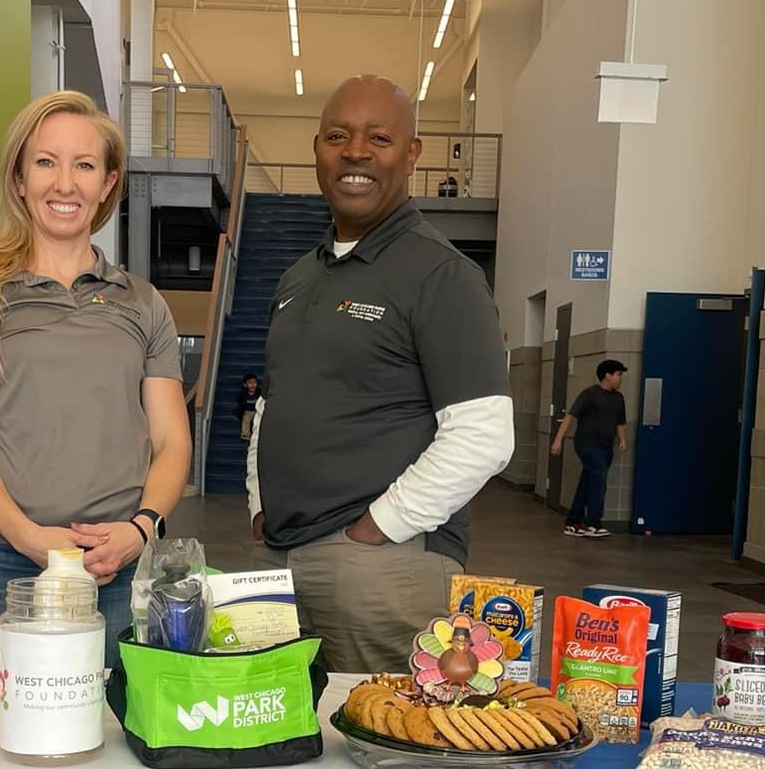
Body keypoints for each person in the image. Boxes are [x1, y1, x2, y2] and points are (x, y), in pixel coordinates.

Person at [246, 73, 513, 673]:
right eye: (337, 135)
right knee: (286, 743)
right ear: (316, 148)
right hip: (281, 555)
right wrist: (260, 508)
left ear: (412, 153)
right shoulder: (299, 278)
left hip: (380, 567)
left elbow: (484, 435)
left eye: (379, 138)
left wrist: (375, 531)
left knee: (389, 742)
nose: (356, 152)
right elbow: (275, 402)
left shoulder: (442, 275)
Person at [0, 89, 192, 663]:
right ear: (20, 179)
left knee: (116, 741)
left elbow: (171, 441)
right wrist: (27, 537)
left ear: (107, 184)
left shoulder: (143, 305)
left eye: (84, 165)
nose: (64, 184)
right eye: (45, 162)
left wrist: (141, 530)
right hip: (3, 569)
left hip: (114, 571)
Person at [550, 359, 628, 538]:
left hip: (606, 446)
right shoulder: (590, 394)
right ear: (608, 376)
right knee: (599, 478)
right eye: (618, 374)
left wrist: (622, 439)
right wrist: (558, 440)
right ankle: (593, 523)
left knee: (588, 482)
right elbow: (570, 417)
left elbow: (620, 422)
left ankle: (573, 522)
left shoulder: (618, 398)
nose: (620, 378)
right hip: (586, 443)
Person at [237, 371, 262, 441]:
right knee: (246, 419)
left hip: (257, 411)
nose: (252, 385)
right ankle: (245, 434)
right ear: (245, 385)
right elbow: (241, 405)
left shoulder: (259, 393)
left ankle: (258, 434)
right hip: (248, 411)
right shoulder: (244, 395)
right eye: (250, 383)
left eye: (254, 382)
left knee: (258, 419)